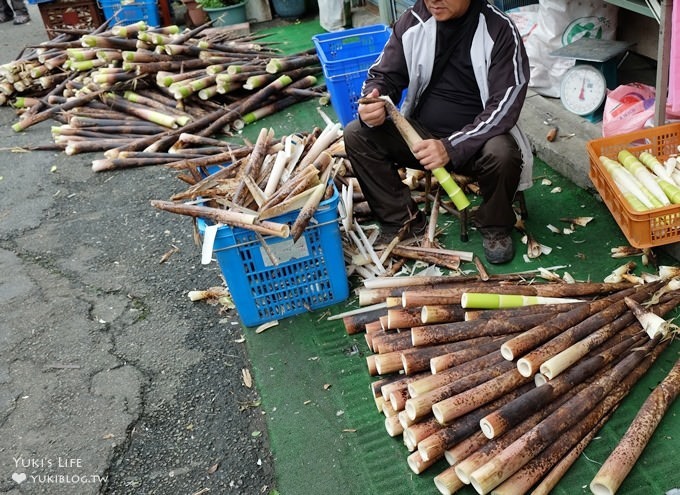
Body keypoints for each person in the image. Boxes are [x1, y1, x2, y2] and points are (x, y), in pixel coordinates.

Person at [343, 0, 533, 264]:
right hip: (422, 134)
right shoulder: (414, 20)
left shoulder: (499, 29)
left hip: (479, 137)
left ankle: (495, 226)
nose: (433, 0)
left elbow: (505, 105)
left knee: (502, 153)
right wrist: (373, 99)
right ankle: (402, 220)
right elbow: (383, 74)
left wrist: (451, 146)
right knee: (357, 133)